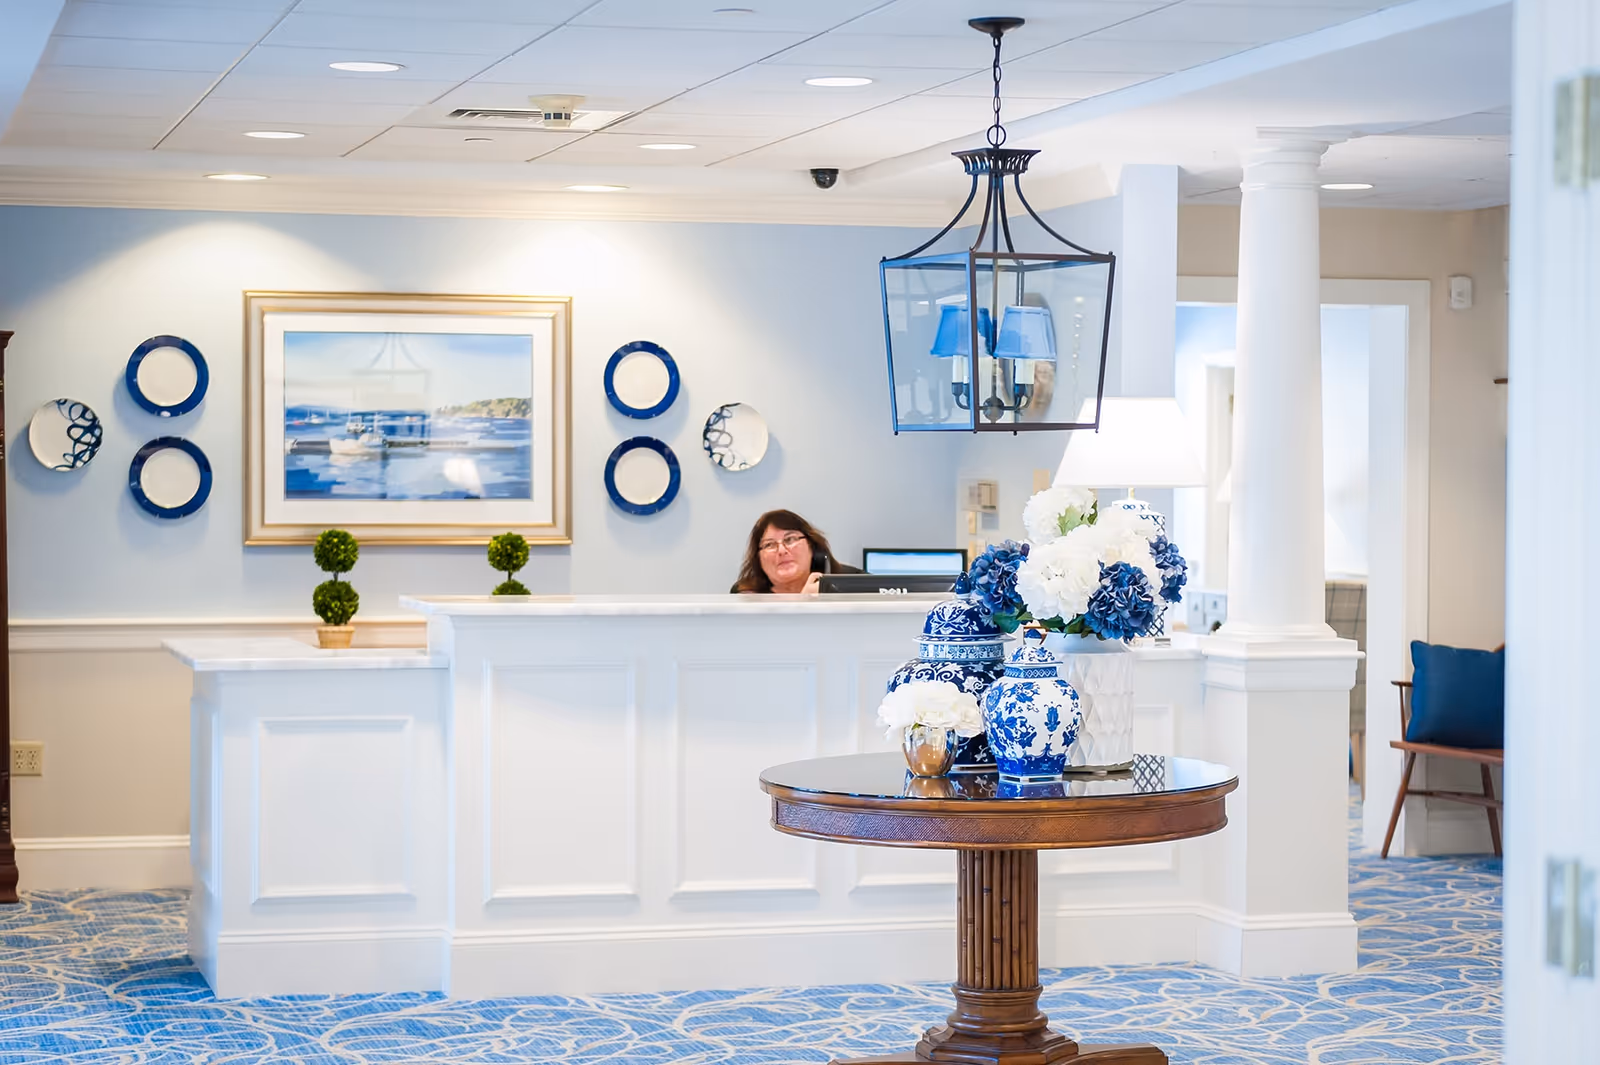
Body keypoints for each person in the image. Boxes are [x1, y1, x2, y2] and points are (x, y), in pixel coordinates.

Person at [732, 509, 861, 594]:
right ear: (758, 558)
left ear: (811, 545)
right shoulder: (746, 594)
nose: (781, 550)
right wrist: (803, 605)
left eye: (790, 539)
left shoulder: (851, 580)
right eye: (769, 545)